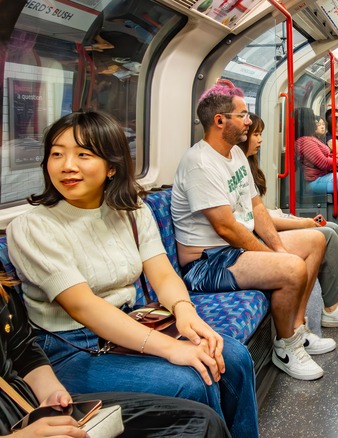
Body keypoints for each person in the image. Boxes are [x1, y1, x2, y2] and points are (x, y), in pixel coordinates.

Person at [6, 111, 258, 436]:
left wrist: (185, 312)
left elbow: (162, 273)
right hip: (71, 348)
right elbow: (83, 307)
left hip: (131, 322)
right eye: (57, 154)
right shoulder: (32, 227)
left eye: (83, 154)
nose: (67, 165)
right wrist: (172, 348)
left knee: (232, 356)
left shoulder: (131, 211)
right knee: (193, 379)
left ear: (111, 167)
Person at [171, 82, 330, 382]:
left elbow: (256, 208)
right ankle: (285, 347)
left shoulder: (235, 155)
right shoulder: (200, 163)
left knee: (315, 240)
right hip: (207, 262)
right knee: (291, 267)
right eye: (243, 115)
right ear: (220, 121)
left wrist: (277, 249)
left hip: (234, 251)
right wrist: (276, 256)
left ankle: (296, 329)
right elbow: (226, 227)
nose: (248, 121)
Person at [0, 272, 231, 437]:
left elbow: (23, 351)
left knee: (201, 422)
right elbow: (82, 305)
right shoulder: (33, 229)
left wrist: (51, 393)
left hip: (26, 403)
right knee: (187, 381)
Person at [238, 113, 338, 327]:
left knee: (333, 227)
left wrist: (294, 218)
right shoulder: (237, 168)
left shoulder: (247, 165)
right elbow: (256, 218)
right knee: (325, 233)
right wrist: (304, 222)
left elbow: (261, 212)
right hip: (257, 233)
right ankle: (332, 308)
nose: (261, 139)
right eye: (256, 134)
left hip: (265, 224)